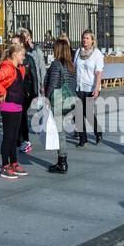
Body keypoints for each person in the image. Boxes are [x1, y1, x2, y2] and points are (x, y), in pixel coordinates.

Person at [0, 36, 30, 180]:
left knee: (14, 138)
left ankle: (14, 162)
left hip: (17, 106)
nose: (24, 57)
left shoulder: (18, 68)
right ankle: (4, 166)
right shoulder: (8, 67)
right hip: (8, 106)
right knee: (8, 137)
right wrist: (2, 92)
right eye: (22, 55)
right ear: (15, 54)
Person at [44, 35, 75, 174]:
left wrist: (46, 98)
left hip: (58, 100)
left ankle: (62, 162)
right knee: (60, 131)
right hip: (69, 100)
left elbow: (53, 83)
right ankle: (62, 161)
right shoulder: (70, 64)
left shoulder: (56, 64)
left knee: (60, 132)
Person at [74, 29, 104, 146]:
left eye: (87, 38)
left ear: (92, 40)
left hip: (91, 87)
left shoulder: (97, 54)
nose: (84, 40)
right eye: (83, 37)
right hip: (79, 86)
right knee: (78, 112)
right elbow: (74, 67)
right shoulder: (78, 52)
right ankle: (83, 138)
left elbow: (98, 73)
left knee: (87, 112)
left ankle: (98, 132)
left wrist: (96, 88)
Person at [18, 28, 46, 155]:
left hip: (35, 84)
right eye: (22, 36)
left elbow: (41, 67)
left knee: (40, 107)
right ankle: (23, 138)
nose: (25, 38)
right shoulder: (18, 50)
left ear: (30, 36)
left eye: (26, 36)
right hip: (23, 87)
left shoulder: (36, 50)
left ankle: (44, 129)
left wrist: (42, 84)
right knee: (23, 112)